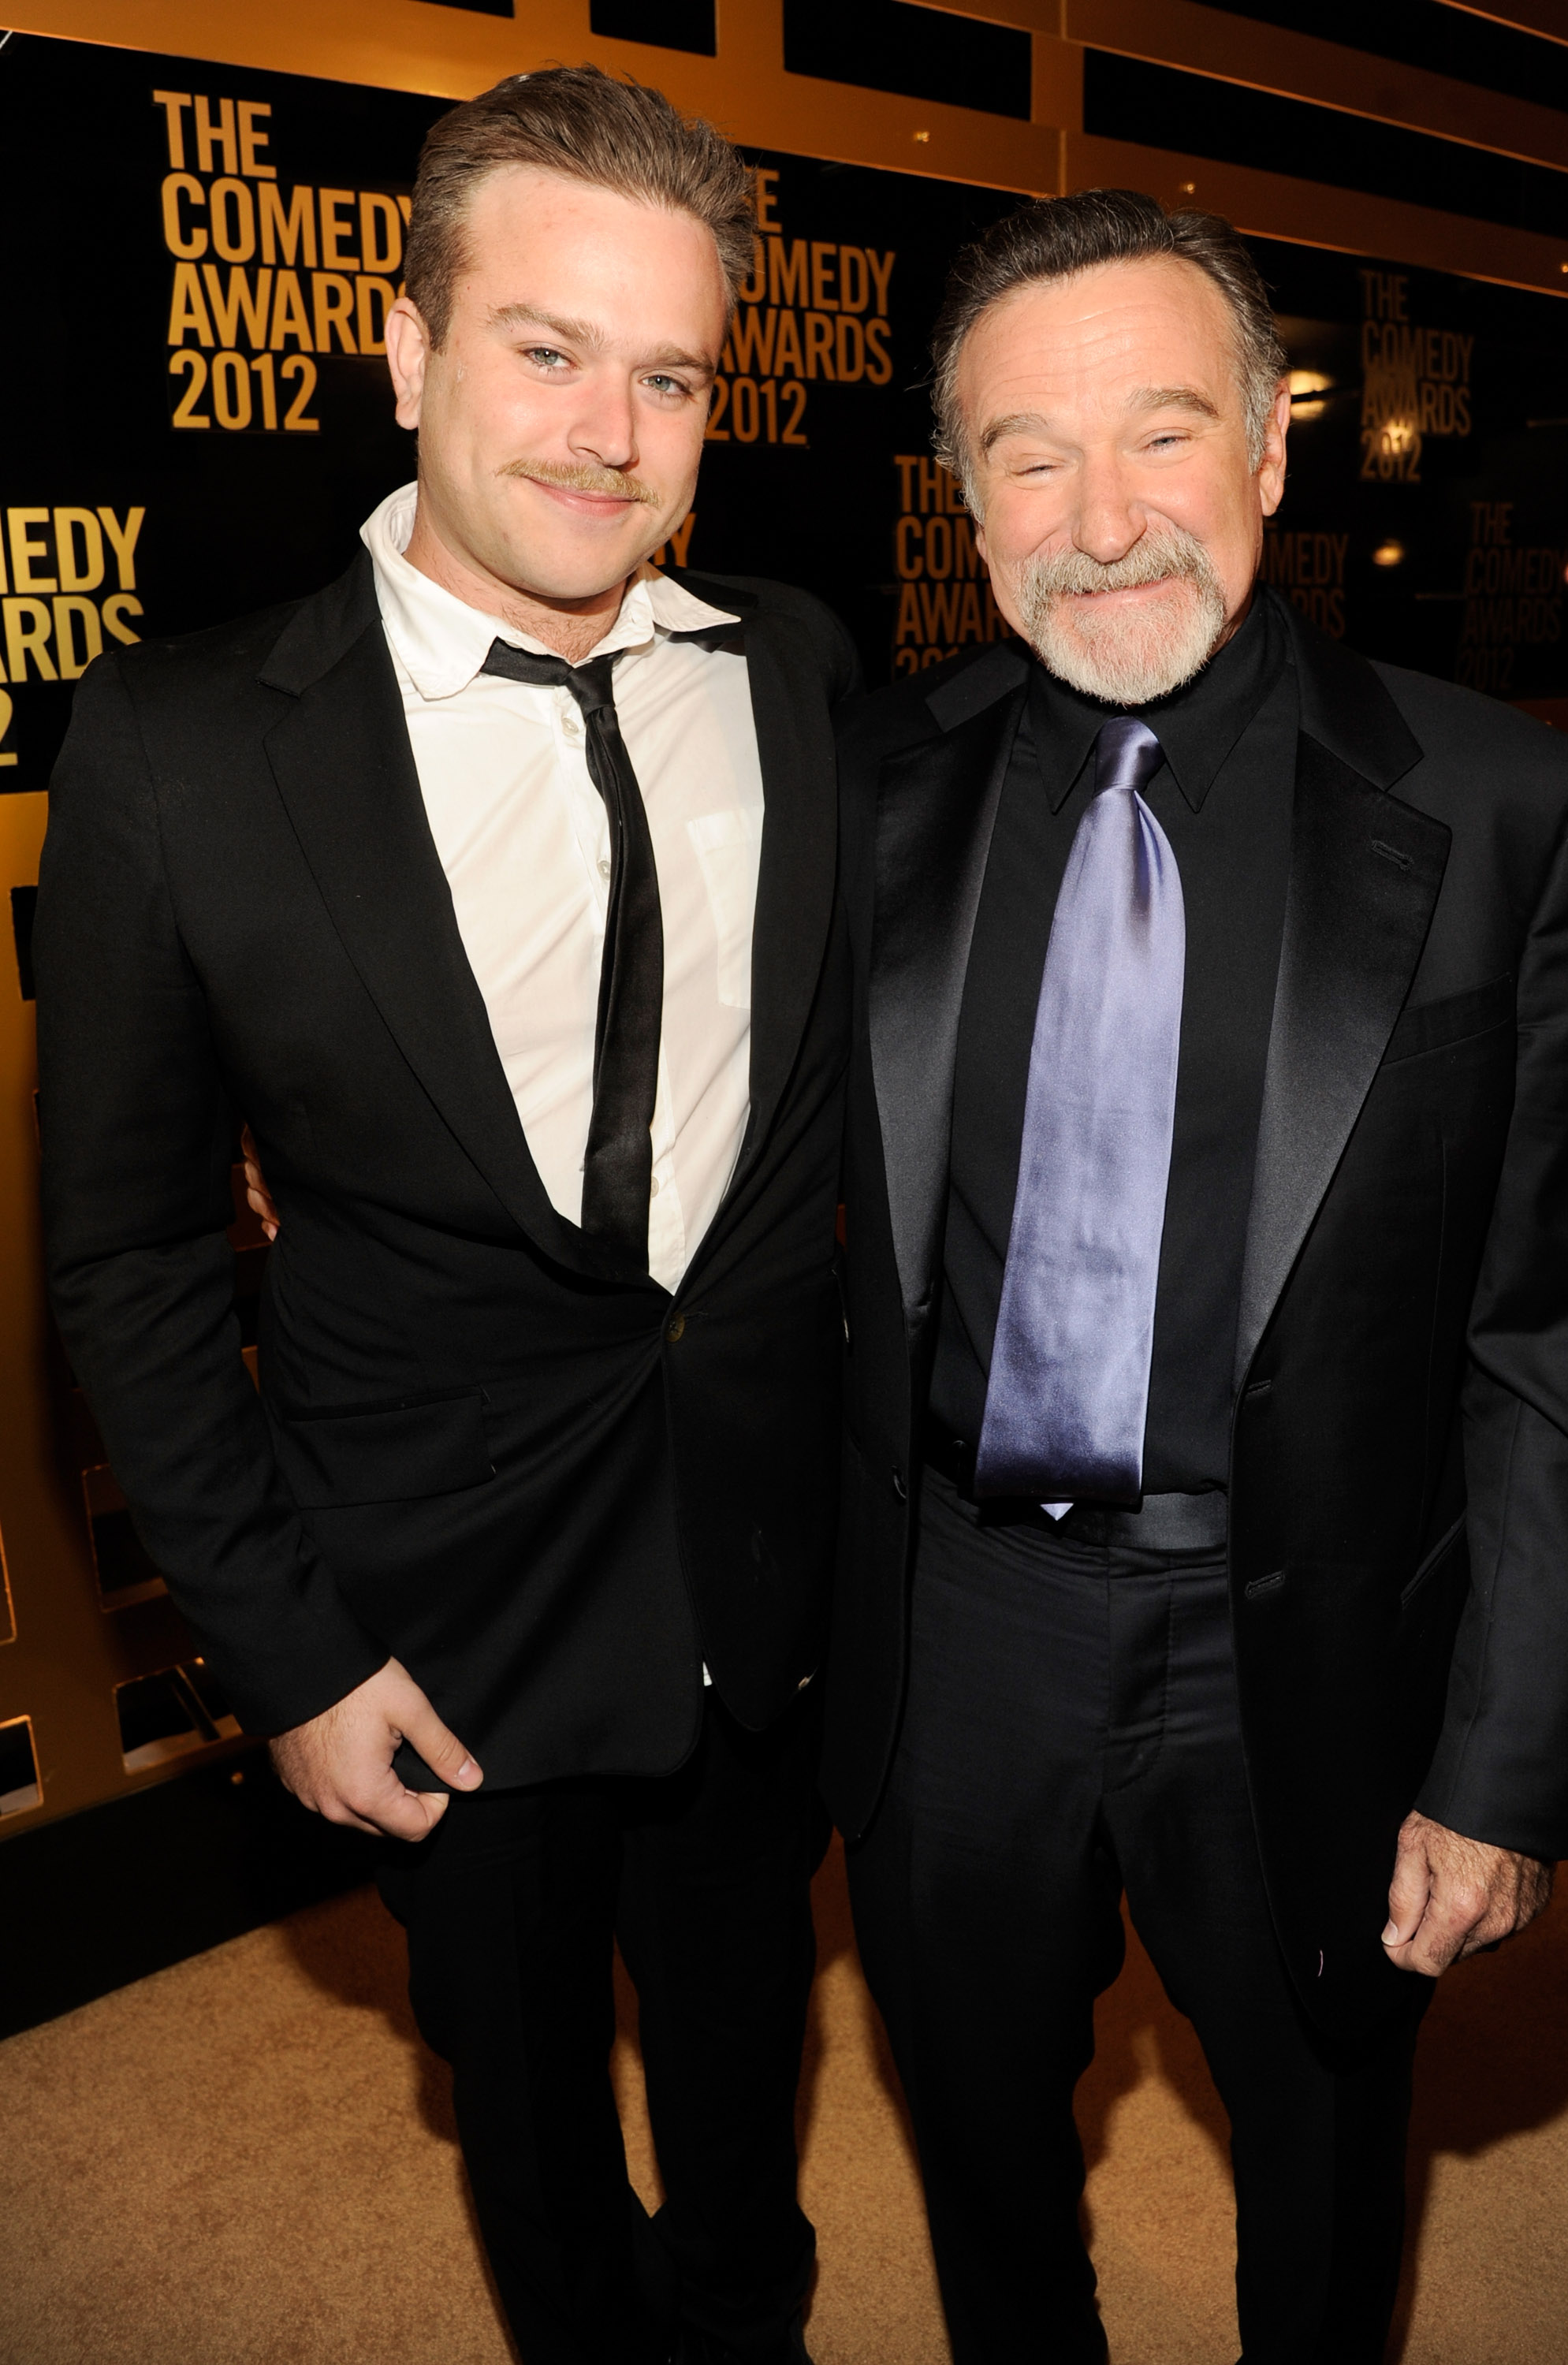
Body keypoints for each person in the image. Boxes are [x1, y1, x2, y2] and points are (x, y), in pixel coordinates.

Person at [35, 66, 858, 2365]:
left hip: (765, 1579)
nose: (609, 430)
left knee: (748, 2070)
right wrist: (280, 1649)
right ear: (403, 355)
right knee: (524, 2123)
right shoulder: (184, 750)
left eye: (670, 372)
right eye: (545, 347)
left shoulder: (795, 673)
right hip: (433, 1628)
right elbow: (122, 1259)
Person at [825, 191, 1568, 2364]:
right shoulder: (863, 794)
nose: (1103, 520)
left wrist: (1510, 1758)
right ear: (964, 496)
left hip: (1303, 1630)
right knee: (980, 2149)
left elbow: (1551, 1342)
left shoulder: (1506, 812)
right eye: (1029, 454)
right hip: (950, 1618)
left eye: (1163, 436)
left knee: (1320, 2158)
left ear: (1273, 450)